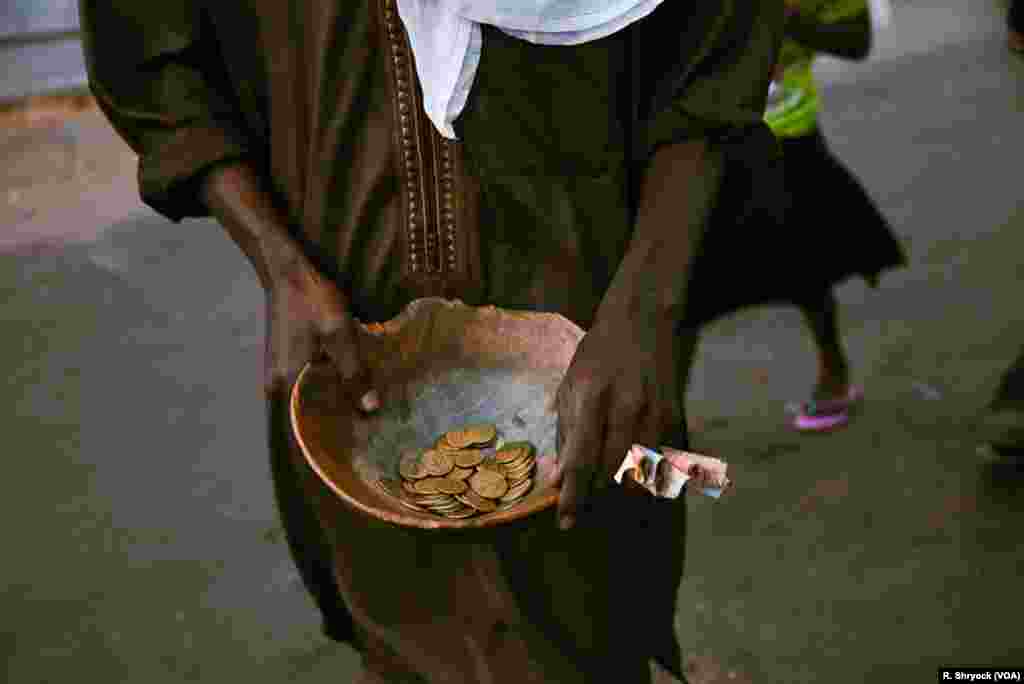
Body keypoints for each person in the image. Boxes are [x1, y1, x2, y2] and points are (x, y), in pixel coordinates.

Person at [80, 1, 782, 681]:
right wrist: (277, 263)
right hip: (348, 340)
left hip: (593, 318)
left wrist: (648, 304)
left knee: (594, 609)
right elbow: (143, 47)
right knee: (404, 634)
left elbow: (719, 40)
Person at [676, 0, 907, 433]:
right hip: (698, 141)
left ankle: (834, 370)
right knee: (684, 282)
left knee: (807, 266)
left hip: (787, 135)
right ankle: (663, 408)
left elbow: (856, 41)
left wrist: (785, 16)